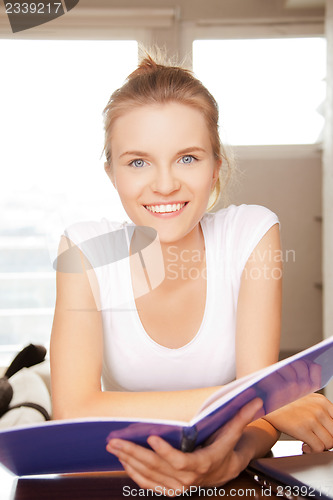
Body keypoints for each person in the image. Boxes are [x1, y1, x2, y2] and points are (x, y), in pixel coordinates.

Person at [50, 50, 333, 493]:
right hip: (121, 479)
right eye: (138, 162)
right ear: (112, 172)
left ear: (216, 164)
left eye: (187, 158)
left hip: (230, 475)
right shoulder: (84, 249)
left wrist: (226, 461)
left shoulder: (251, 232)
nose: (164, 184)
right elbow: (72, 409)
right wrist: (262, 400)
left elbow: (262, 425)